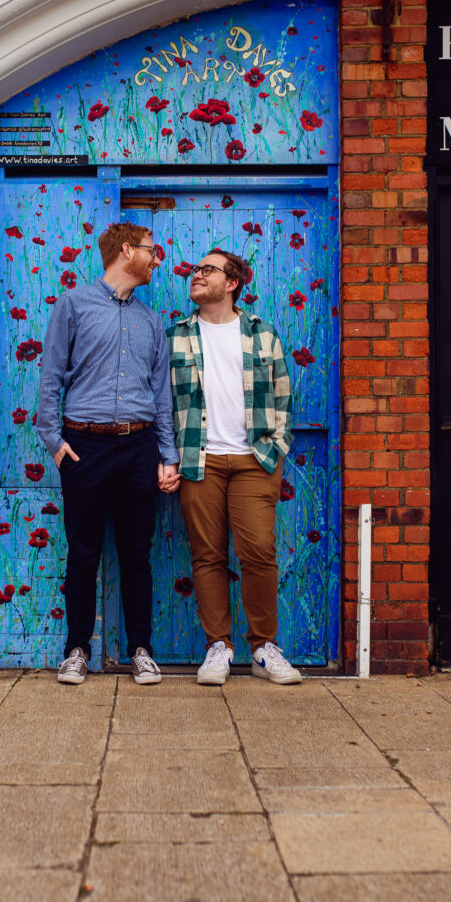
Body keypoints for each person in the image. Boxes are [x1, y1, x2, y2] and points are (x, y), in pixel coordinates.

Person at [36, 222, 180, 685]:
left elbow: (160, 395)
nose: (157, 259)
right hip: (85, 447)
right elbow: (51, 376)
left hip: (139, 448)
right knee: (83, 553)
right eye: (151, 251)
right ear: (126, 251)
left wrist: (166, 455)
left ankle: (141, 649)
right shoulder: (74, 305)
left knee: (137, 553)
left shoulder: (150, 321)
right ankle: (76, 649)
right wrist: (55, 443)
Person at [166, 248, 301, 685]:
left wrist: (275, 444)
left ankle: (263, 647)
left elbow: (283, 395)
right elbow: (160, 402)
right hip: (197, 459)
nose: (196, 274)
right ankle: (218, 648)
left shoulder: (263, 334)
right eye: (195, 268)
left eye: (208, 269)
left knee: (259, 552)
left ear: (233, 282)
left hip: (253, 460)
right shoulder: (175, 336)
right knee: (207, 556)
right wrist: (167, 457)